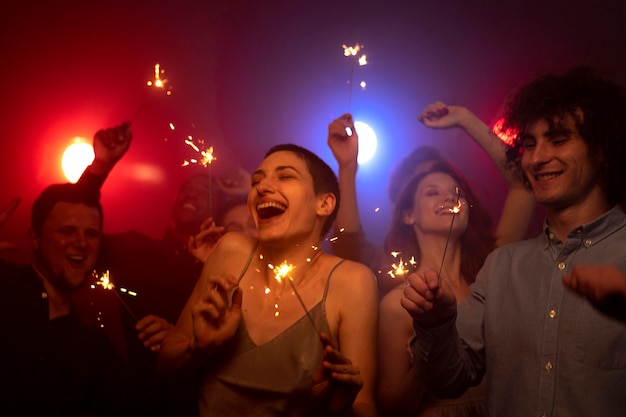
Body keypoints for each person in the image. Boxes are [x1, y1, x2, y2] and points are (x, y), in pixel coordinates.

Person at [402, 66, 626, 416]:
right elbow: (449, 381)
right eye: (530, 143)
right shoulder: (503, 265)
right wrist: (436, 325)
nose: (536, 158)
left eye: (559, 139)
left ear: (601, 148)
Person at [158, 144, 379, 416]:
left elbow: (365, 404)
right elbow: (165, 366)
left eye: (285, 176)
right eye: (256, 180)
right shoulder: (231, 251)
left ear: (324, 204)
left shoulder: (353, 281)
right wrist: (198, 349)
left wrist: (339, 407)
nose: (262, 187)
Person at [328, 109, 535, 297]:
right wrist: (347, 169)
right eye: (430, 191)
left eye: (455, 191)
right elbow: (348, 247)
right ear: (406, 212)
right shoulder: (396, 275)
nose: (447, 197)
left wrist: (465, 118)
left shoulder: (489, 265)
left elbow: (524, 185)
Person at [0, 183, 145, 416]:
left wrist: (179, 348)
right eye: (67, 231)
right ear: (35, 238)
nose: (81, 243)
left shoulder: (94, 343)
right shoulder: (5, 285)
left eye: (91, 234)